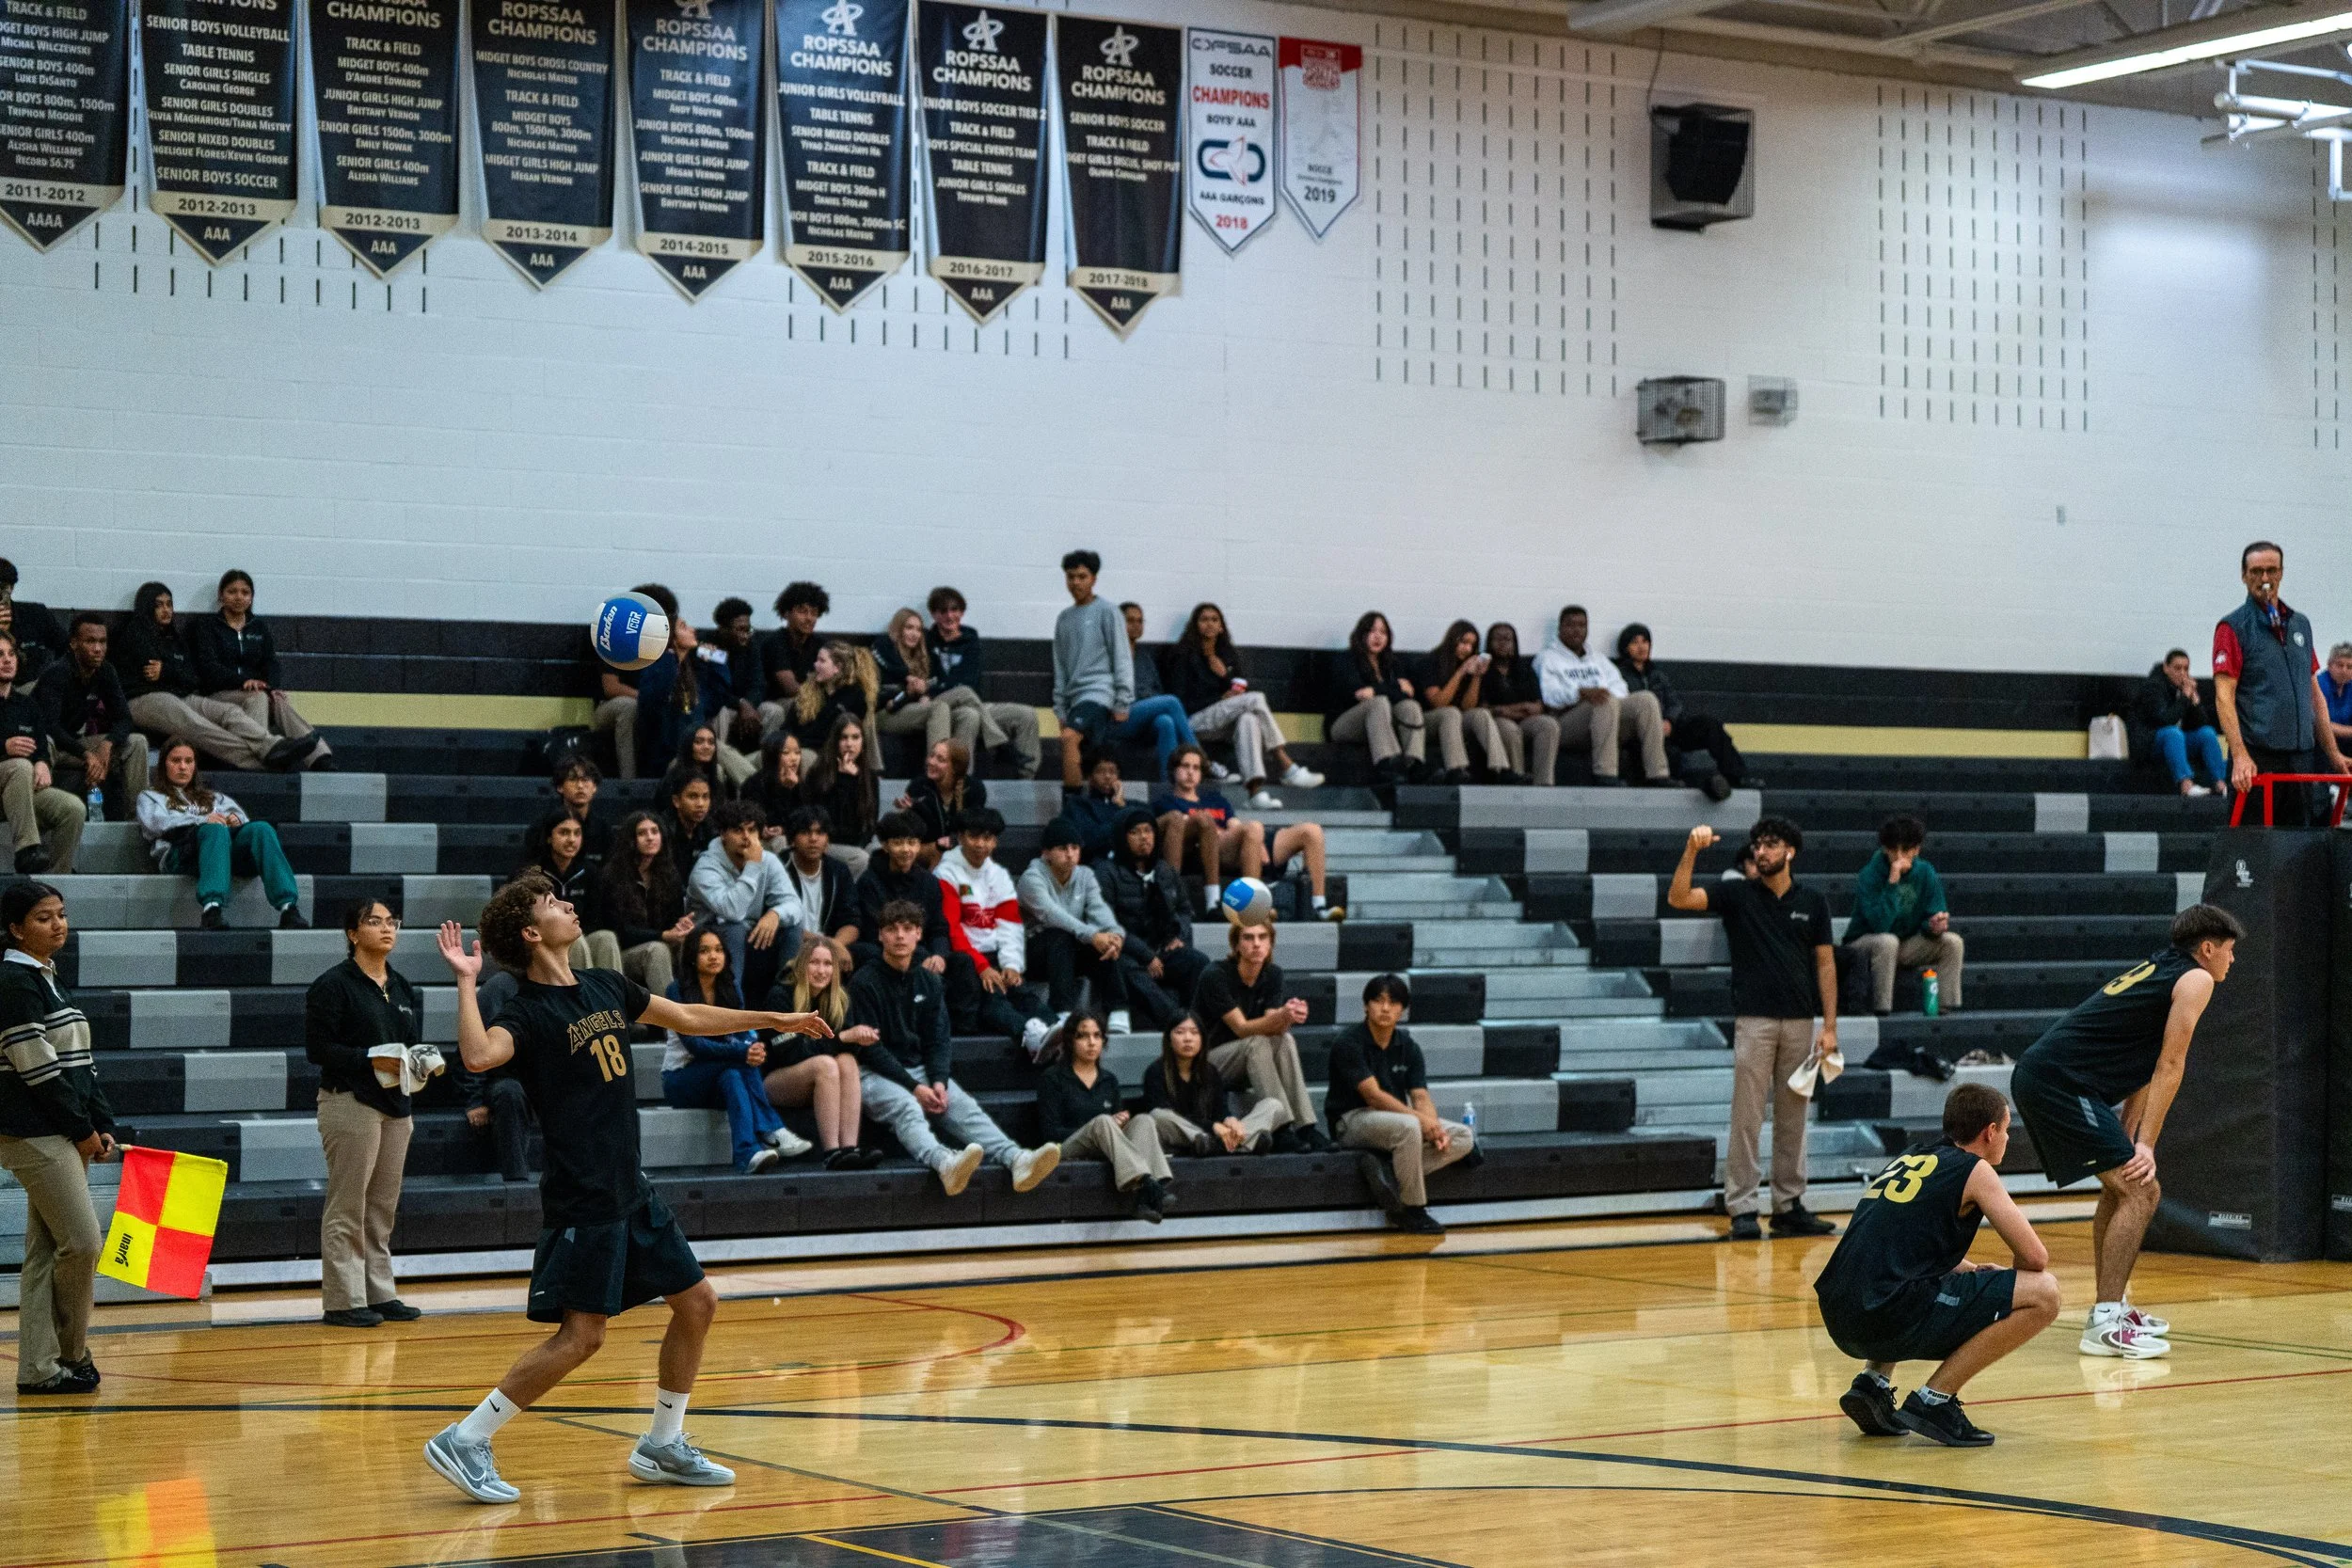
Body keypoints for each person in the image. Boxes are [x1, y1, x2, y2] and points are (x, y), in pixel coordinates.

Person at [426, 874, 834, 1503]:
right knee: (582, 1336)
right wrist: (464, 981)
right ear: (533, 932)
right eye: (554, 903)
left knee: (697, 1302)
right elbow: (479, 1056)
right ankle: (467, 1436)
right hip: (584, 1194)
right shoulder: (526, 1011)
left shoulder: (606, 983)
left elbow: (691, 1015)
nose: (569, 905)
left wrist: (772, 1016)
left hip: (631, 1186)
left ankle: (663, 1443)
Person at [2009, 903, 2240, 1358]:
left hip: (2057, 1078)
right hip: (2060, 1082)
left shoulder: (2164, 967)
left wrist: (2130, 1130)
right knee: (2142, 1190)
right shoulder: (2195, 979)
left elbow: (2146, 1062)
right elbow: (2171, 1065)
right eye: (2230, 951)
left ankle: (2112, 1307)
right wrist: (2147, 1146)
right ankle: (2105, 1319)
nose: (2233, 961)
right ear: (2208, 949)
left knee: (2122, 1189)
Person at [1814, 1084, 2061, 1447]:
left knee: (1904, 1279)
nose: (2007, 1138)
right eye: (2006, 1129)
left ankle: (1872, 1384)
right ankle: (1936, 1399)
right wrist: (2007, 1286)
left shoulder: (1912, 1157)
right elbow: (2036, 1258)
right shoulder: (1975, 1170)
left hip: (1839, 1310)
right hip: (1882, 1314)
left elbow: (1900, 1245)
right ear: (1990, 1132)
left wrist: (1973, 1272)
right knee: (2045, 1294)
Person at [1666, 817, 1838, 1240]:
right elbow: (1679, 897)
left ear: (1790, 852)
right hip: (1755, 1022)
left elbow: (1825, 963)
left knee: (1794, 1116)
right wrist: (1691, 850)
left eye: (1770, 845)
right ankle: (1742, 1207)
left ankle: (1789, 1205)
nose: (1761, 852)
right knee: (1747, 1116)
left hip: (1801, 1022)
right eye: (1757, 846)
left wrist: (1830, 1025)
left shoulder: (1813, 901)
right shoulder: (1737, 894)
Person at [846, 899, 1061, 1196]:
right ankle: (943, 1162)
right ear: (880, 935)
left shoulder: (929, 982)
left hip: (918, 1068)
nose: (899, 936)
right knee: (907, 1106)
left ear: (919, 934)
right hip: (871, 1072)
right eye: (892, 929)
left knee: (963, 1105)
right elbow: (871, 1049)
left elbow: (938, 1039)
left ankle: (1016, 1158)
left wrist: (937, 1081)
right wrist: (915, 1087)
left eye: (907, 929)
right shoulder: (863, 982)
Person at [0, 880, 115, 1396]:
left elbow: (79, 1064)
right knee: (83, 1242)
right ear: (15, 928)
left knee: (48, 1250)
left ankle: (40, 1368)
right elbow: (39, 1071)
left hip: (61, 1130)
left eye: (61, 914)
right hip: (33, 1131)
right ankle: (71, 1353)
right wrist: (83, 1130)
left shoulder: (46, 977)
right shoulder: (14, 981)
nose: (58, 924)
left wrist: (101, 1121)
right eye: (44, 917)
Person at [305, 898, 424, 1327]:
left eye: (392, 922)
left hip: (397, 1105)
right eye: (374, 922)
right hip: (349, 1101)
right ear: (353, 934)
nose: (386, 928)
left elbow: (409, 1044)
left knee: (381, 1207)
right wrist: (371, 1058)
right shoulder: (332, 985)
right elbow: (318, 1050)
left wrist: (421, 1061)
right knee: (348, 1204)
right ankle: (342, 1300)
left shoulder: (403, 986)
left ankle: (380, 1292)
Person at [2214, 540, 2349, 825]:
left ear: (2281, 573)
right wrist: (2239, 755)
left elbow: (2315, 696)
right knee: (2253, 852)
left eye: (2271, 570)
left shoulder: (2300, 624)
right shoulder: (2233, 627)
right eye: (2256, 571)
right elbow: (2224, 697)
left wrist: (2333, 753)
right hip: (2258, 760)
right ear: (2244, 576)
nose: (2264, 578)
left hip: (2300, 758)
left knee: (2297, 848)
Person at [1329, 973, 1476, 1236]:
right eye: (1378, 1000)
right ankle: (1411, 1210)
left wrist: (1433, 1126)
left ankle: (1388, 1173)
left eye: (1393, 1002)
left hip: (1395, 1121)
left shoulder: (1408, 1046)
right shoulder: (1349, 1042)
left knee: (1463, 1137)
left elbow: (1420, 1096)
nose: (1385, 1008)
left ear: (1403, 1010)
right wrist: (1422, 1122)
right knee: (1409, 1126)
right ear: (1365, 1005)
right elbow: (1373, 1096)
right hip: (1352, 1120)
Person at [661, 927, 813, 1174]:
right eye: (705, 951)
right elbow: (695, 1046)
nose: (714, 956)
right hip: (682, 1080)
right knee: (738, 1063)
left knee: (733, 1074)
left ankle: (747, 1154)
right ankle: (773, 1128)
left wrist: (753, 1048)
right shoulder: (676, 991)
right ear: (691, 956)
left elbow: (746, 1034)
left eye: (719, 950)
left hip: (721, 1077)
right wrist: (743, 1053)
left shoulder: (731, 989)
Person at [116, 582, 301, 772]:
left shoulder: (174, 639)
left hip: (179, 695)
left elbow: (193, 678)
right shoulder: (133, 635)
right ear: (147, 607)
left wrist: (167, 671)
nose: (166, 610)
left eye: (169, 604)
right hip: (142, 700)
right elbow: (153, 676)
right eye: (159, 605)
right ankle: (259, 762)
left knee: (229, 712)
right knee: (197, 724)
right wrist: (173, 672)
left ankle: (271, 747)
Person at [1052, 550, 1198, 785]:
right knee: (1169, 705)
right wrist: (1060, 708)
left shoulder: (1108, 611)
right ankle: (1199, 760)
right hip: (1083, 705)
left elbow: (1121, 658)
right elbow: (1060, 666)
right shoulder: (1064, 619)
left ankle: (1174, 785)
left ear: (1094, 579)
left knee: (1166, 721)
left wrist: (1121, 700)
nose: (1076, 582)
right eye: (1071, 577)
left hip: (1103, 700)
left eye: (1082, 576)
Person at [136, 738, 307, 930]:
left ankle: (288, 908)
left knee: (262, 829)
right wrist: (202, 821)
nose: (183, 767)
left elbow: (242, 818)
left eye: (188, 761)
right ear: (163, 765)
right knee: (214, 829)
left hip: (219, 852)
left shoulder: (214, 797)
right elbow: (155, 825)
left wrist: (235, 821)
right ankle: (212, 909)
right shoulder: (151, 796)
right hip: (179, 853)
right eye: (176, 761)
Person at [1163, 603, 1322, 806]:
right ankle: (1286, 765)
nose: (1210, 624)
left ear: (1221, 626)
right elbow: (1179, 701)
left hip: (1220, 723)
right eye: (1204, 619)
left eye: (1215, 619)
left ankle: (1255, 793)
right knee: (1255, 699)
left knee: (1249, 719)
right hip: (1192, 722)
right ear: (1195, 625)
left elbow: (1243, 686)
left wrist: (1225, 675)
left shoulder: (1226, 654)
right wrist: (1220, 699)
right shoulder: (1183, 655)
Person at [1194, 922, 1331, 1151]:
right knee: (1256, 1042)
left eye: (1262, 937)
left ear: (1271, 943)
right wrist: (1283, 1016)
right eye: (1248, 938)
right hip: (1208, 1063)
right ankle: (1280, 1129)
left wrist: (1290, 1015)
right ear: (1236, 945)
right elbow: (1241, 1028)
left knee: (1284, 1039)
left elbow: (1272, 1026)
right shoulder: (1215, 974)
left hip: (1249, 1062)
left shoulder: (1273, 974)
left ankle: (1305, 1126)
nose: (1256, 944)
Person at [931, 806, 1059, 1053]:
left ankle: (1057, 1028)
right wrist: (982, 966)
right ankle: (1029, 1035)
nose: (981, 844)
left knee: (1023, 993)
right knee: (994, 1000)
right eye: (974, 836)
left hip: (996, 954)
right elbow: (952, 929)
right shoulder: (946, 873)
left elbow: (1010, 923)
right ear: (960, 836)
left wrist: (1011, 964)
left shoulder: (999, 874)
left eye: (988, 838)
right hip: (965, 959)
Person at [186, 568, 333, 770]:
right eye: (232, 592)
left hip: (254, 692)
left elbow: (271, 663)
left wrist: (270, 687)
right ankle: (265, 755)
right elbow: (208, 668)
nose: (239, 597)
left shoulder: (258, 627)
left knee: (277, 701)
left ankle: (319, 757)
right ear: (221, 595)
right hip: (218, 695)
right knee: (258, 697)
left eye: (245, 593)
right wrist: (243, 682)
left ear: (251, 597)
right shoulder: (207, 626)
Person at [1037, 1011, 1176, 1221]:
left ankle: (1146, 1194)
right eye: (1083, 1036)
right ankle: (1148, 1186)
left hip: (1107, 1148)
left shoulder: (1109, 1080)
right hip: (1066, 1147)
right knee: (1102, 1121)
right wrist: (1097, 1127)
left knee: (1144, 1120)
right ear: (1070, 1041)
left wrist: (1119, 1123)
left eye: (1097, 1036)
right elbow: (1050, 1132)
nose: (1091, 1043)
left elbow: (1115, 1129)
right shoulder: (1053, 1078)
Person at [762, 936, 878, 1169]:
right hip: (775, 1081)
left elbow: (845, 1048)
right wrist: (844, 1038)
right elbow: (790, 1054)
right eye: (814, 963)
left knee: (846, 1061)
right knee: (826, 1064)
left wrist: (858, 1038)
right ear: (801, 965)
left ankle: (849, 1149)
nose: (821, 970)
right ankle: (831, 1152)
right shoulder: (780, 996)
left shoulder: (839, 999)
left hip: (820, 1080)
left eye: (828, 964)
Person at [1099, 807, 1211, 1029]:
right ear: (1122, 837)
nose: (1144, 838)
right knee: (1119, 963)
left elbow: (1184, 909)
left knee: (1198, 962)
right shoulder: (1106, 872)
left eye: (1149, 831)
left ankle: (1197, 1022)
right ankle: (1177, 1023)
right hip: (1128, 952)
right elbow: (1107, 923)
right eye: (1136, 832)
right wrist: (1147, 955)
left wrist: (1179, 935)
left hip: (1163, 949)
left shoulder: (1165, 871)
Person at [686, 800, 803, 1009]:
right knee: (734, 929)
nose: (746, 837)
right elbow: (733, 912)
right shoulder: (705, 868)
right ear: (723, 834)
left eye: (752, 830)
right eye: (738, 830)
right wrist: (753, 868)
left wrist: (775, 914)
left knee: (793, 929)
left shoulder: (768, 861)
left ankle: (784, 1004)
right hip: (709, 941)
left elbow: (794, 905)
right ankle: (733, 1010)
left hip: (750, 939)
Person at [1018, 818, 1131, 1034]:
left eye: (1075, 848)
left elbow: (1099, 910)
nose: (1070, 854)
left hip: (1068, 949)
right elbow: (1051, 915)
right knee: (1060, 936)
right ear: (1046, 852)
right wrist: (1093, 935)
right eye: (1062, 848)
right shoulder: (1031, 878)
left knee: (1105, 944)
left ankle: (1118, 1009)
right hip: (1031, 953)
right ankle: (1063, 1012)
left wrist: (1114, 935)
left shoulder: (1085, 875)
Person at [1615, 622, 1752, 799]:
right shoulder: (1618, 675)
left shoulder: (1658, 675)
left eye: (1645, 641)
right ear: (1625, 648)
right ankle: (1707, 786)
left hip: (1669, 729)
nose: (1642, 647)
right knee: (1671, 755)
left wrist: (1670, 721)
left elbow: (1675, 703)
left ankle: (1736, 775)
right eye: (1635, 642)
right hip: (1643, 735)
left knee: (1709, 725)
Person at [1847, 816, 1963, 1017]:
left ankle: (1945, 1005)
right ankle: (1881, 1008)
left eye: (1906, 850)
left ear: (1917, 850)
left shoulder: (1926, 872)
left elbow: (1934, 913)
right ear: (1885, 848)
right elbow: (1879, 924)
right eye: (1894, 850)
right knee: (1887, 941)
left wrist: (1934, 925)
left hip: (1904, 944)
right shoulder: (1870, 874)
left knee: (1952, 942)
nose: (1899, 857)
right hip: (1864, 944)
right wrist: (1892, 882)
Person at [1537, 605, 1666, 786]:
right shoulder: (1547, 658)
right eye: (1571, 625)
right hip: (1567, 723)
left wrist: (1602, 693)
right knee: (1604, 702)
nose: (1577, 630)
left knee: (1646, 699)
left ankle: (1657, 775)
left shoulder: (1598, 659)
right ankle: (1606, 774)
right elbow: (1550, 696)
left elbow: (1621, 689)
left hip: (1606, 718)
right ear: (1560, 628)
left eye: (1582, 625)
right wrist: (1580, 693)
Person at [38, 614, 149, 816]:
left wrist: (108, 744)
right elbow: (50, 726)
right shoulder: (57, 673)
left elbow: (124, 719)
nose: (98, 649)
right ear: (73, 643)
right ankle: (43, 815)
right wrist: (87, 754)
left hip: (74, 744)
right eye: (90, 641)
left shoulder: (105, 671)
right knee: (47, 742)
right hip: (50, 745)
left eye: (102, 642)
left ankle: (138, 818)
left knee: (136, 742)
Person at [925, 585, 1041, 778]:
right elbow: (929, 682)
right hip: (942, 708)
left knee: (1025, 715)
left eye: (955, 610)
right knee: (968, 709)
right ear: (933, 614)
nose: (949, 616)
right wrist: (943, 687)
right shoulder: (927, 641)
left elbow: (969, 681)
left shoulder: (970, 639)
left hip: (973, 703)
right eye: (942, 611)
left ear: (962, 613)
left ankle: (1025, 779)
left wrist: (941, 684)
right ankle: (966, 782)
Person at [0, 629, 85, 874]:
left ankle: (56, 882)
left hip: (20, 790)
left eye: (11, 654)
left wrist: (43, 763)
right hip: (10, 777)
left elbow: (39, 744)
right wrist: (4, 746)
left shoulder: (26, 704)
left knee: (73, 808)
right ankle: (27, 849)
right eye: (0, 655)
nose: (7, 660)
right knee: (19, 766)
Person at [1143, 1010, 1284, 1157]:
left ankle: (1229, 1142)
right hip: (1190, 1136)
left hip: (1214, 1135)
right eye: (1180, 1032)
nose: (1188, 1038)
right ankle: (1248, 1142)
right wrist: (1212, 1127)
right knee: (1157, 1115)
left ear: (1202, 1039)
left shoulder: (1210, 1071)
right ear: (1169, 1040)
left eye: (1194, 1033)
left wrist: (1230, 1120)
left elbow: (1220, 1109)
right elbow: (1166, 1116)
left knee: (1274, 1105)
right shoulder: (1155, 1072)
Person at [593, 812, 696, 994]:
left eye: (655, 832)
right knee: (657, 950)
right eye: (642, 833)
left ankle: (697, 1009)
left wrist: (681, 927)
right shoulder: (613, 876)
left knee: (693, 943)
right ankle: (670, 1021)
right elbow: (618, 932)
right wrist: (663, 935)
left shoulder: (668, 874)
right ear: (631, 840)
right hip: (621, 954)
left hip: (660, 945)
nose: (650, 838)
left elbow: (673, 921)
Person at [875, 607, 986, 760]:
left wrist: (927, 692)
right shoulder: (886, 649)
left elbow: (939, 680)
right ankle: (939, 770)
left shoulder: (925, 655)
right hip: (889, 712)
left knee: (969, 714)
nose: (915, 634)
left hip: (919, 705)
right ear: (898, 629)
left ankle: (960, 777)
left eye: (919, 630)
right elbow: (888, 700)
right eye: (909, 628)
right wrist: (910, 689)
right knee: (941, 706)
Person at [1328, 611, 1426, 783]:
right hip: (1345, 724)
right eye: (1372, 631)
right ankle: (1387, 763)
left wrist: (1377, 690)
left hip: (1381, 725)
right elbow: (1358, 693)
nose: (1378, 637)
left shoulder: (1392, 663)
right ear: (1361, 634)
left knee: (1410, 706)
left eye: (1383, 632)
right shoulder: (1347, 659)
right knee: (1378, 703)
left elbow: (1406, 695)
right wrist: (1394, 687)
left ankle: (1414, 762)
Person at [588, 582, 671, 778]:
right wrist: (647, 697)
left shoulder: (667, 644)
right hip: (610, 707)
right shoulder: (614, 638)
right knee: (629, 707)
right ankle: (629, 781)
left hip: (652, 704)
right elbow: (611, 687)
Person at [1422, 621, 1519, 785]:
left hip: (1456, 720)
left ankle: (1501, 769)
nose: (1467, 649)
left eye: (1472, 645)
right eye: (1463, 643)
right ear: (1452, 640)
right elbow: (1438, 703)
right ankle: (1456, 769)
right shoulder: (1430, 662)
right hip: (1429, 721)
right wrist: (1460, 673)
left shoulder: (1470, 665)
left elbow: (1469, 707)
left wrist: (1477, 676)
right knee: (1450, 712)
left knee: (1481, 713)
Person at [633, 613, 728, 780]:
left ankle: (755, 783)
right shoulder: (656, 670)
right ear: (671, 638)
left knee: (719, 758)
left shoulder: (689, 674)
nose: (693, 630)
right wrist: (670, 656)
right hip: (669, 760)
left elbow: (715, 700)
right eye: (684, 627)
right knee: (716, 758)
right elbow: (655, 704)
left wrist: (715, 662)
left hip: (698, 752)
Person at [525, 813, 624, 972]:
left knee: (607, 938)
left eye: (577, 833)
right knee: (574, 939)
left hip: (580, 936)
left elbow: (598, 918)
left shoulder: (590, 872)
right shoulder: (532, 873)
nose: (571, 839)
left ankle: (614, 995)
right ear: (549, 837)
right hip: (543, 942)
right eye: (564, 833)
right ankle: (581, 996)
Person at [2133, 649, 2230, 799]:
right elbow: (2165, 720)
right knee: (2172, 733)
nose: (2182, 673)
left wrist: (2195, 702)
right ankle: (2186, 784)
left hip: (2176, 743)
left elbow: (2201, 723)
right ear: (2166, 668)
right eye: (2177, 668)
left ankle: (2221, 784)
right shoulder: (2153, 687)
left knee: (2207, 733)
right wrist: (2184, 698)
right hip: (2150, 744)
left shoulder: (2183, 688)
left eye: (2186, 669)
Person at [1481, 623, 1560, 786]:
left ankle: (1544, 783)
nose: (1503, 643)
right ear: (1489, 643)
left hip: (1524, 720)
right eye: (1497, 639)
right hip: (1497, 722)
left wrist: (1508, 710)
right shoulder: (1483, 671)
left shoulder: (1524, 669)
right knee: (1510, 729)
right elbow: (1484, 709)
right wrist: (1521, 708)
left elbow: (1538, 706)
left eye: (1507, 639)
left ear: (1514, 644)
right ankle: (1517, 780)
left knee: (1549, 724)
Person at [799, 712, 877, 877]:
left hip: (857, 843)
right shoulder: (819, 772)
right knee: (860, 858)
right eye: (844, 738)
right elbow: (826, 819)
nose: (850, 744)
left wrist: (855, 781)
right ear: (835, 742)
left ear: (863, 742)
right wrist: (844, 781)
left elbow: (871, 822)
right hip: (826, 842)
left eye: (855, 737)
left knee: (878, 852)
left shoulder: (870, 777)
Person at [778, 806, 860, 953]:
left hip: (831, 946)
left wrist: (835, 945)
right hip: (792, 943)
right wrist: (823, 944)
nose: (813, 839)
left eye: (820, 833)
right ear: (792, 839)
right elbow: (779, 922)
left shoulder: (838, 871)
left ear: (827, 838)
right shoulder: (779, 867)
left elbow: (851, 920)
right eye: (805, 832)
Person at [702, 597, 765, 786]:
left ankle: (766, 759)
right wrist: (740, 704)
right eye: (740, 630)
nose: (746, 635)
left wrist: (749, 705)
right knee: (721, 712)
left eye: (748, 629)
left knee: (773, 711)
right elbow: (712, 689)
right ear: (723, 630)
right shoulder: (708, 646)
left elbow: (759, 683)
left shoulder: (750, 645)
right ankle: (715, 764)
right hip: (720, 706)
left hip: (745, 707)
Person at [785, 641, 879, 761]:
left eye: (822, 661)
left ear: (837, 667)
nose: (815, 664)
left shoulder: (854, 696)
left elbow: (825, 735)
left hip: (826, 755)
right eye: (816, 660)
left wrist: (797, 743)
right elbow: (788, 726)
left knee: (802, 758)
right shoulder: (808, 691)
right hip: (796, 748)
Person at [757, 580, 830, 735]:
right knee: (800, 704)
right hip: (774, 702)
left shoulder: (821, 644)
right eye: (803, 611)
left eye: (814, 613)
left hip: (807, 699)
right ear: (786, 613)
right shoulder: (775, 642)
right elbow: (790, 688)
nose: (809, 618)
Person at [897, 738, 985, 863]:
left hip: (961, 850)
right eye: (931, 756)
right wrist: (912, 809)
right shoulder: (918, 787)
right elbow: (914, 833)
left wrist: (954, 840)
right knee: (939, 852)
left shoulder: (974, 789)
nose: (931, 762)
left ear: (955, 767)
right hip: (926, 851)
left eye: (940, 759)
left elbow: (974, 828)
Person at [535, 755, 617, 856]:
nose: (580, 786)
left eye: (585, 780)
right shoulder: (542, 826)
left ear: (594, 787)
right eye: (573, 779)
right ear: (560, 787)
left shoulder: (604, 830)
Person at [1062, 745, 1134, 862]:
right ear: (1090, 777)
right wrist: (1118, 810)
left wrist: (1121, 806)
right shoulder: (1077, 806)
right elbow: (1088, 841)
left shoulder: (1132, 806)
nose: (1107, 776)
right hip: (1095, 865)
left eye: (1112, 771)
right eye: (1101, 771)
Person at [0, 558, 66, 682]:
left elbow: (66, 647)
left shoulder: (35, 615)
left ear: (11, 588)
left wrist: (53, 679)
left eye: (2, 587)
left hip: (31, 689)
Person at [660, 766, 716, 886]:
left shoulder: (711, 830)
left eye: (705, 797)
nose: (701, 804)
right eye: (693, 796)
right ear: (676, 801)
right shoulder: (662, 831)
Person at [744, 732, 806, 832]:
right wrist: (784, 790)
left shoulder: (802, 785)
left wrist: (783, 829)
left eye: (797, 752)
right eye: (786, 753)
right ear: (772, 756)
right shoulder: (754, 784)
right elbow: (762, 820)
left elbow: (805, 819)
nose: (794, 758)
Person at [672, 721, 738, 804]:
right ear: (688, 746)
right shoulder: (673, 780)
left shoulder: (716, 783)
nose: (706, 747)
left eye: (711, 742)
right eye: (698, 742)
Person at [2327, 641, 2352, 754]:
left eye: (2350, 667)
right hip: (2323, 746)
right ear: (2329, 665)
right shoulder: (2319, 684)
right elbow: (2318, 724)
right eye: (2340, 665)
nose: (2344, 670)